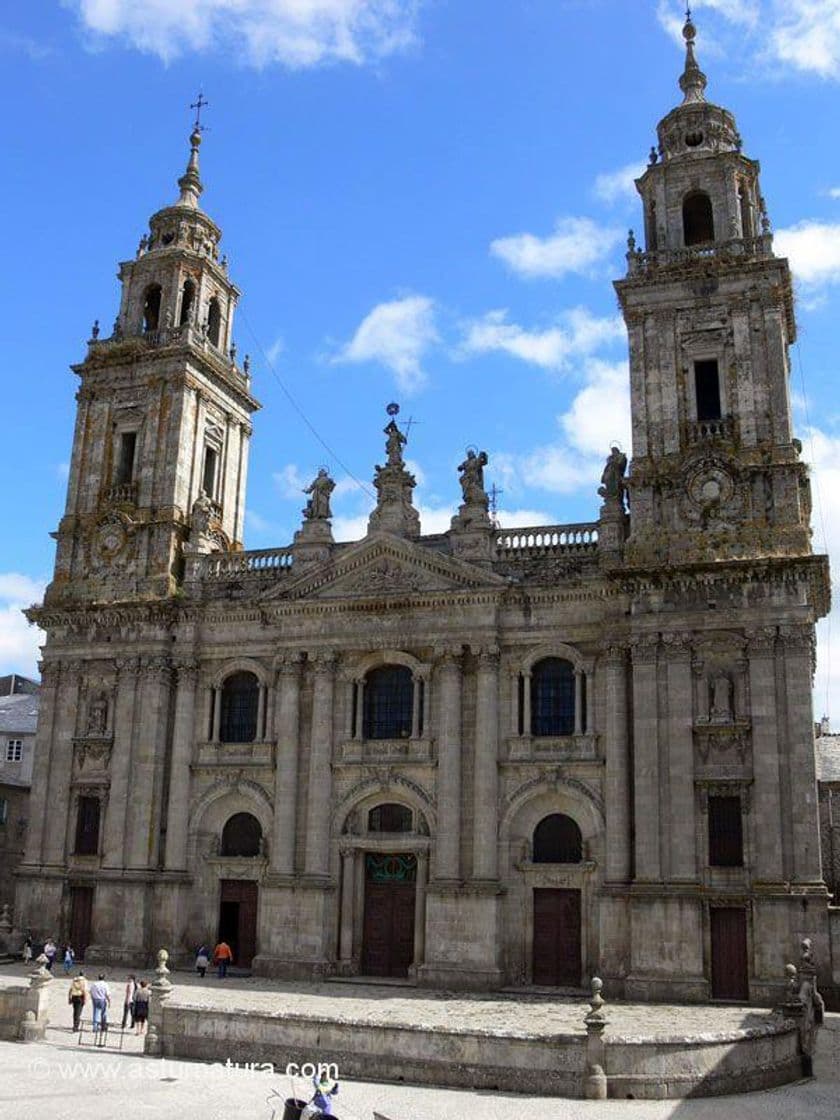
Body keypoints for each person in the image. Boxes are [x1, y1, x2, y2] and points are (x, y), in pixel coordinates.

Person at [89, 974, 111, 1041]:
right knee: (103, 1013)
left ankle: (95, 1027)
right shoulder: (105, 984)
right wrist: (109, 1001)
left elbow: (91, 991)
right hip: (102, 999)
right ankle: (103, 1026)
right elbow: (107, 993)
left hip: (95, 999)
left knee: (95, 1012)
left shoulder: (94, 984)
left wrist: (93, 997)